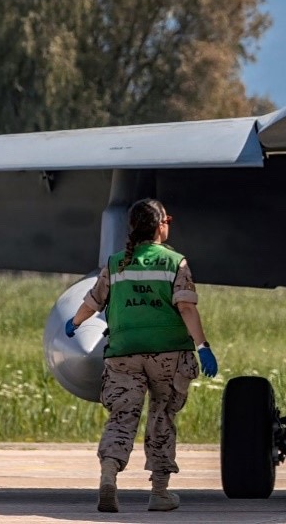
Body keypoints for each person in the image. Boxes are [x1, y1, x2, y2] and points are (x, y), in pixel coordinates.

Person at [65, 198, 218, 514]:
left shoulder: (116, 263)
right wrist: (203, 347)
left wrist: (75, 323)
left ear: (132, 227)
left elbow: (93, 303)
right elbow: (186, 307)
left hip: (123, 354)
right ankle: (159, 493)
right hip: (169, 355)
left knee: (122, 416)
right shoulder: (176, 263)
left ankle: (109, 475)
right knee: (162, 416)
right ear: (162, 225)